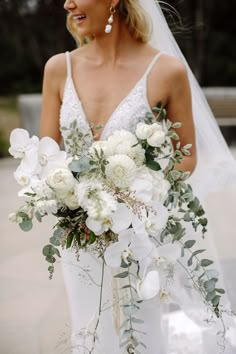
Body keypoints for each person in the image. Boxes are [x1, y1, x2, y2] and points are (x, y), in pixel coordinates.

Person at [40, 1, 236, 353]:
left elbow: (187, 155)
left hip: (138, 234)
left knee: (143, 327)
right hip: (79, 235)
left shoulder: (167, 71)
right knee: (89, 328)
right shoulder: (58, 68)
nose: (67, 3)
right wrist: (70, 194)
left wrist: (136, 195)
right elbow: (45, 155)